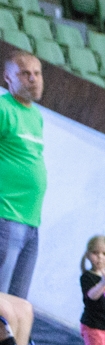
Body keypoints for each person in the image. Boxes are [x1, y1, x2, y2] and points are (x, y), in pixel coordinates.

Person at [0, 51, 47, 299]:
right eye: (25, 74)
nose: (33, 79)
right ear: (8, 77)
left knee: (17, 304)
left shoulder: (36, 116)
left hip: (31, 223)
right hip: (6, 218)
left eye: (37, 73)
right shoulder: (3, 108)